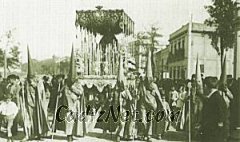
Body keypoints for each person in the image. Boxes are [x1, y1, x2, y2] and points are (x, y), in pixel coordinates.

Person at [201, 77, 228, 142]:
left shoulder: (216, 97)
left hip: (214, 131)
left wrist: (219, 125)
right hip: (210, 129)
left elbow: (221, 113)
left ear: (205, 86)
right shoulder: (214, 96)